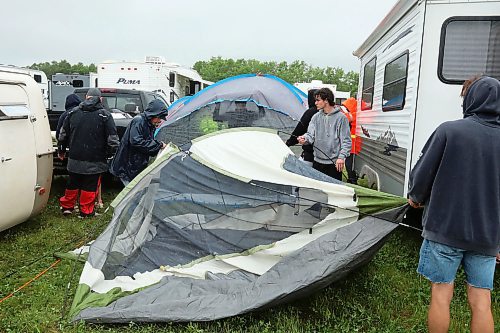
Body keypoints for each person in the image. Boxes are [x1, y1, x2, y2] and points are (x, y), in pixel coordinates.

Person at [407, 76, 500, 333]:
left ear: (470, 100)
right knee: (482, 300)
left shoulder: (449, 131)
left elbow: (422, 174)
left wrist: (415, 198)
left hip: (444, 229)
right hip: (487, 236)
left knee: (441, 293)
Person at [58, 88, 119, 218]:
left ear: (86, 97)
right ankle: (86, 211)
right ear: (100, 99)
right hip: (95, 158)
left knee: (72, 183)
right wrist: (110, 153)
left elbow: (63, 135)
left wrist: (61, 150)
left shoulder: (72, 113)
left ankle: (67, 207)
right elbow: (113, 139)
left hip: (74, 158)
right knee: (90, 185)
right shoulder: (105, 115)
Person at [297, 88, 351, 181]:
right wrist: (304, 139)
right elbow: (310, 135)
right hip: (317, 162)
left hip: (333, 163)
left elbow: (346, 141)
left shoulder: (341, 118)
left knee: (333, 192)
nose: (315, 103)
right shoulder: (315, 117)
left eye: (318, 100)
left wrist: (341, 158)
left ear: (326, 100)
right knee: (318, 192)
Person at [109, 99, 168, 185]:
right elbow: (137, 142)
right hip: (127, 166)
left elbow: (147, 142)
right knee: (131, 192)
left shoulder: (149, 124)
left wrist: (158, 146)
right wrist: (158, 145)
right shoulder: (139, 121)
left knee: (135, 189)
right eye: (159, 117)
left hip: (135, 165)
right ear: (152, 115)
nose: (159, 121)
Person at [285, 89, 318, 166]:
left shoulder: (311, 112)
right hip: (326, 157)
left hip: (310, 154)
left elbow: (300, 129)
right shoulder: (327, 112)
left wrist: (289, 142)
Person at [340, 97, 358, 183]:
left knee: (349, 164)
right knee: (350, 164)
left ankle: (352, 180)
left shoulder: (351, 115)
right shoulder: (356, 114)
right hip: (354, 145)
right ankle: (352, 178)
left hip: (353, 146)